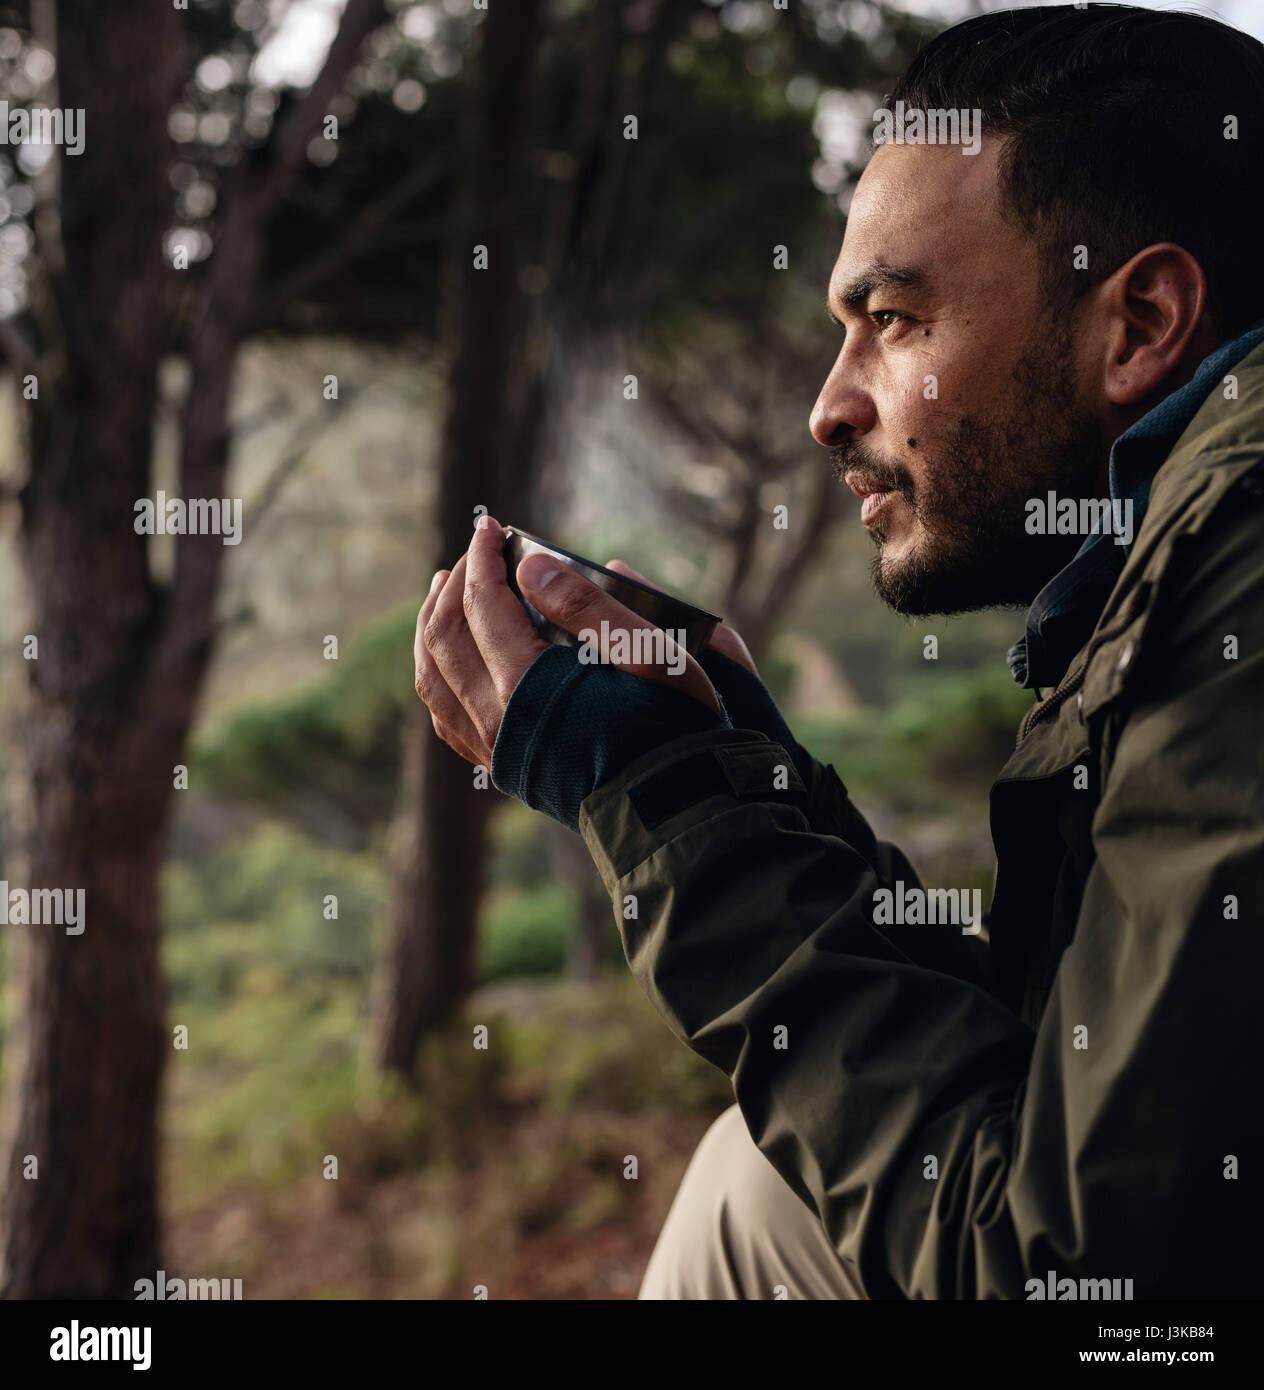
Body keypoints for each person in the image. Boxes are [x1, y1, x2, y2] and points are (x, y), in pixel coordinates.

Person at [413, 4, 1264, 1299]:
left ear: (1141, 321)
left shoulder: (1244, 554)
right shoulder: (1174, 559)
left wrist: (654, 801)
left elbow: (1072, 1273)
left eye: (898, 319)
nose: (829, 403)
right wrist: (740, 766)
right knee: (761, 1183)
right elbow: (1067, 1085)